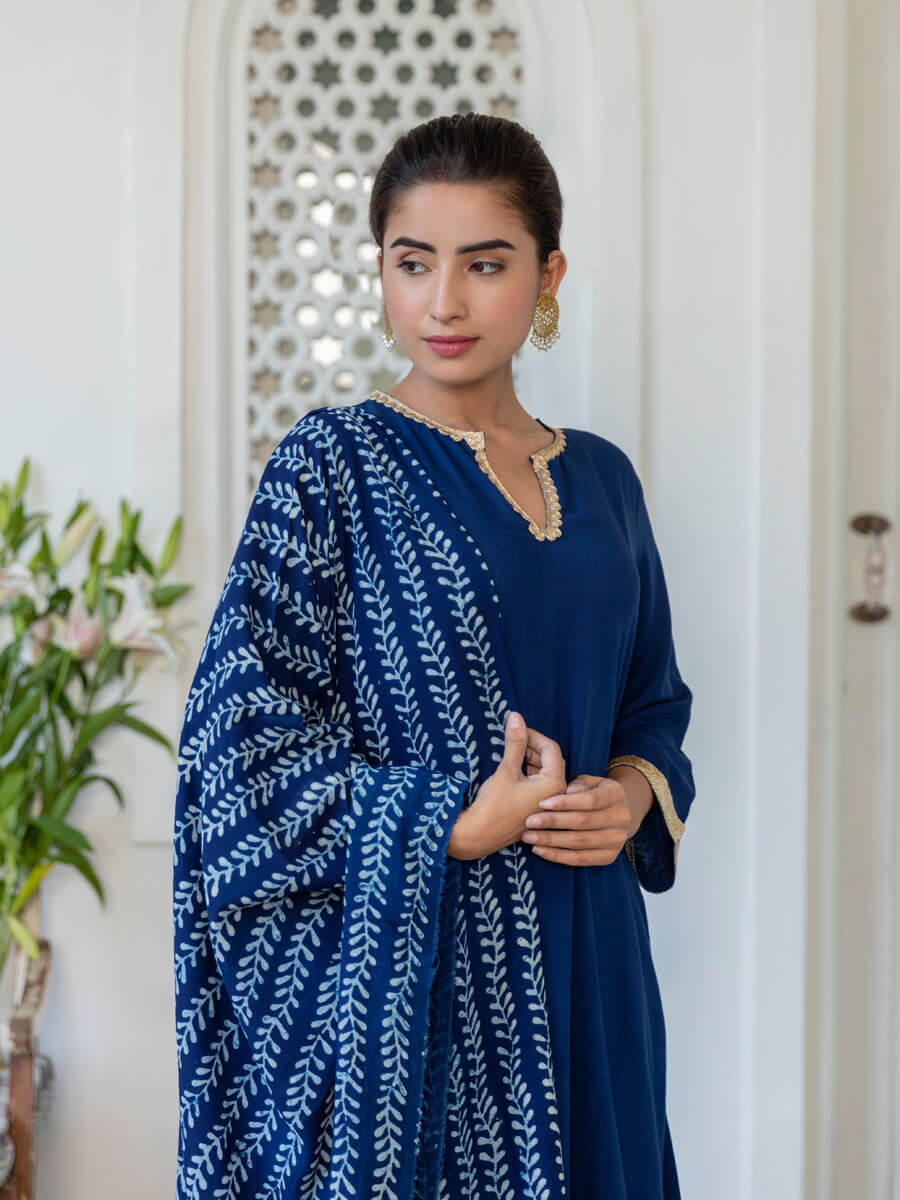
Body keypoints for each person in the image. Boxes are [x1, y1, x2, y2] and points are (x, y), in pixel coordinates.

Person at [173, 111, 695, 1200]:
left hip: (596, 956)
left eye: (485, 264)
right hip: (428, 980)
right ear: (381, 272)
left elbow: (654, 702)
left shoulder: (603, 480)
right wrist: (449, 823)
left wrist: (634, 795)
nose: (443, 302)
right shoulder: (329, 468)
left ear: (548, 275)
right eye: (413, 263)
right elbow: (236, 758)